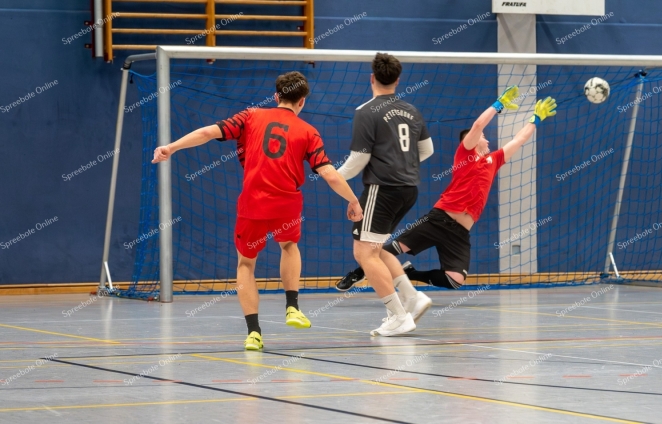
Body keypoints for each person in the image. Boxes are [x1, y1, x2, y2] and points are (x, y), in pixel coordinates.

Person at [152, 71, 363, 351]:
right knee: (288, 246)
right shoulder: (309, 131)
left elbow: (206, 133)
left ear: (276, 97)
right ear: (302, 101)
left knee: (245, 264)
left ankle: (254, 333)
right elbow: (330, 175)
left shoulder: (250, 116)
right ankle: (292, 307)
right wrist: (353, 201)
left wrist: (171, 147)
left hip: (252, 204)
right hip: (287, 204)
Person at [337, 87, 557, 297]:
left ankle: (410, 273)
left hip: (460, 232)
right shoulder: (466, 154)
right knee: (391, 249)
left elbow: (519, 140)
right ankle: (357, 273)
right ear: (468, 141)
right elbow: (479, 124)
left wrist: (534, 119)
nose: (487, 139)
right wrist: (497, 105)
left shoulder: (493, 160)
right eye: (482, 137)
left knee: (455, 280)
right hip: (439, 219)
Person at [335, 53, 435, 336]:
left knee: (363, 253)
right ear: (398, 80)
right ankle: (413, 297)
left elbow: (358, 159)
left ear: (372, 78)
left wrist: (334, 176)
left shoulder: (366, 111)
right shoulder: (412, 110)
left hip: (383, 188)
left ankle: (398, 315)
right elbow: (427, 151)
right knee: (376, 249)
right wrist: (403, 165)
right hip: (409, 189)